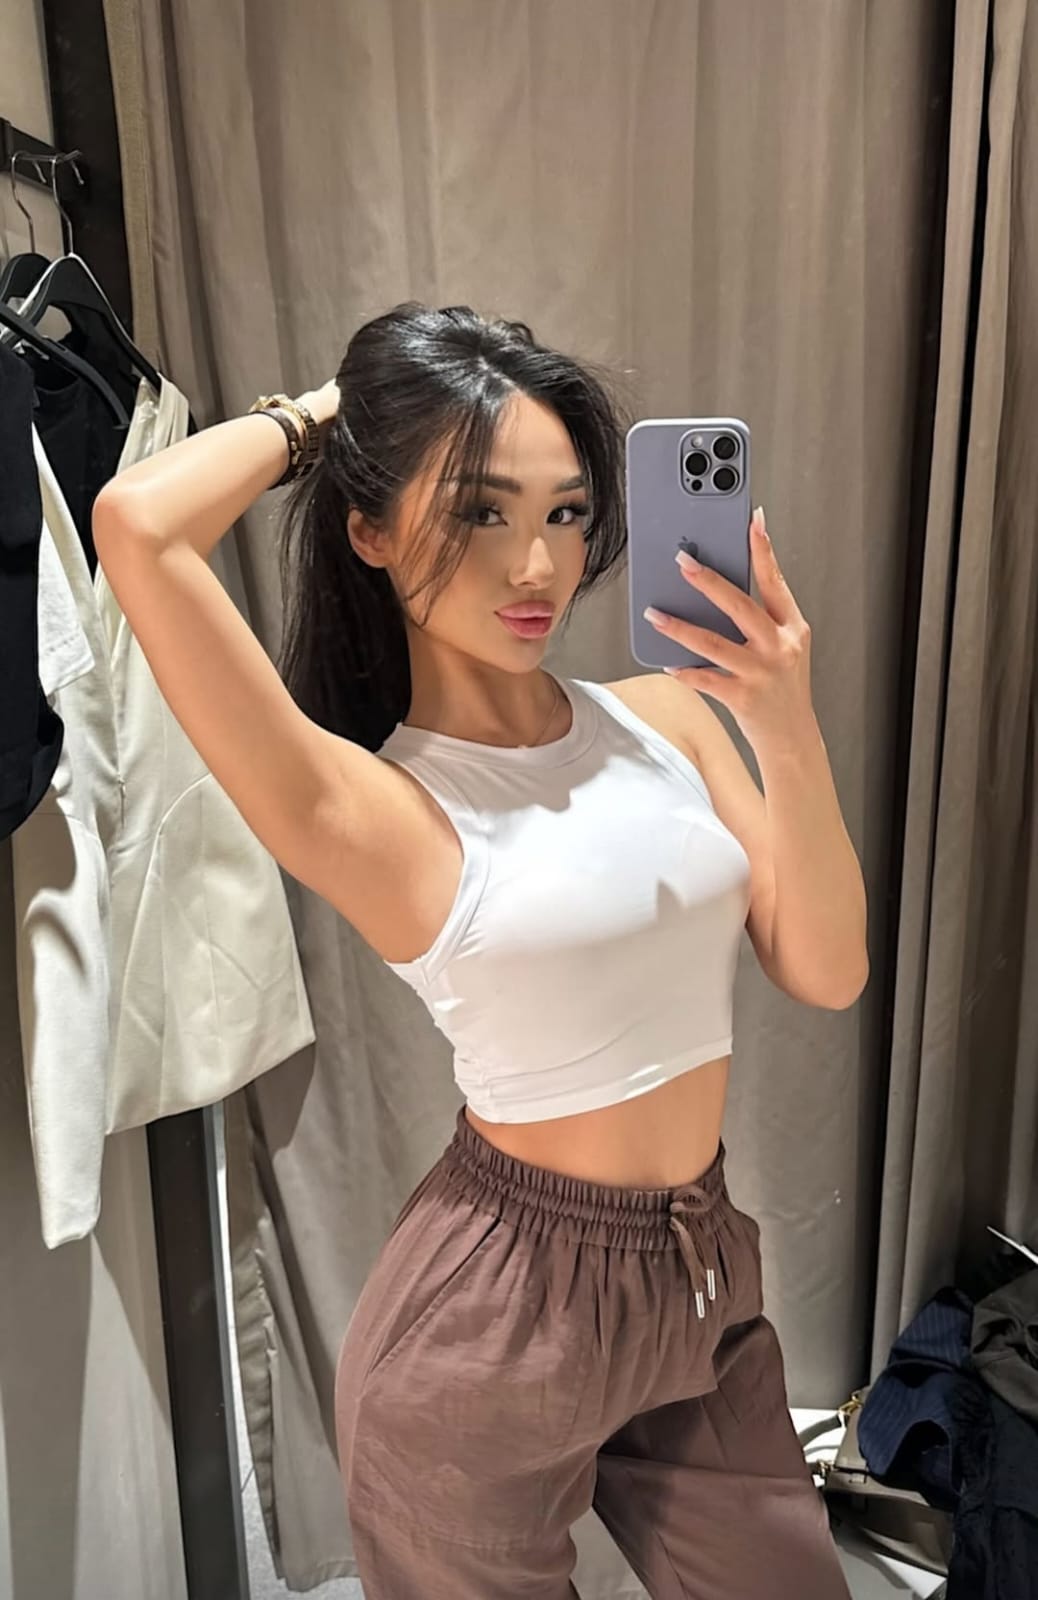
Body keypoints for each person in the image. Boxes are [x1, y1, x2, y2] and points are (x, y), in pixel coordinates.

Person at [94, 303, 865, 1599]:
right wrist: (336, 417)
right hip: (496, 1320)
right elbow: (137, 525)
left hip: (699, 1272)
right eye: (478, 512)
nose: (537, 565)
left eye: (565, 513)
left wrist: (781, 717)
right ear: (371, 529)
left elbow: (828, 971)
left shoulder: (671, 718)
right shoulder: (377, 809)